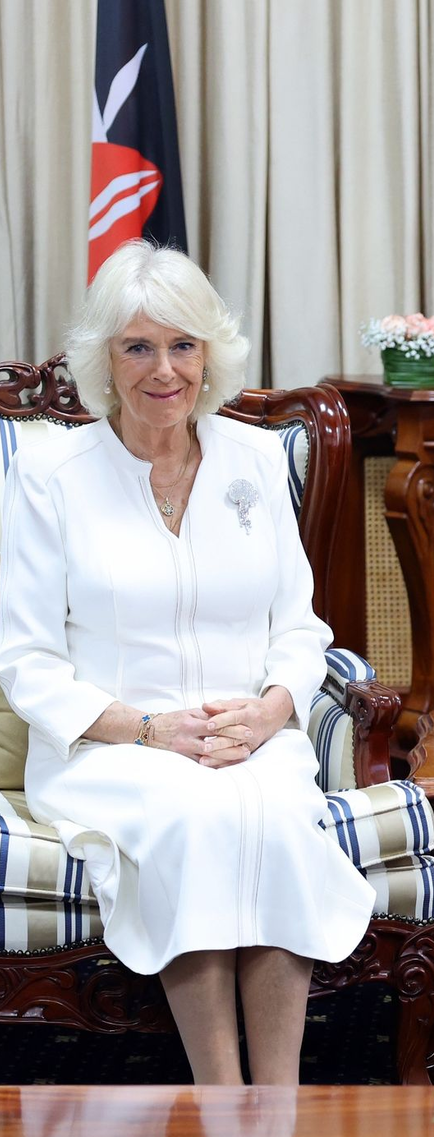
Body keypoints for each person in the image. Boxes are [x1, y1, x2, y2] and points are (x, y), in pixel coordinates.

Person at [0, 240, 375, 1084]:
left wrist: (274, 710)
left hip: (249, 734)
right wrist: (149, 728)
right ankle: (220, 1095)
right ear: (104, 358)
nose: (163, 369)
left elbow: (300, 627)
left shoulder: (254, 458)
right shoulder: (47, 474)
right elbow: (25, 660)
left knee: (277, 820)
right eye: (138, 346)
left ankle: (275, 1102)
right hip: (110, 747)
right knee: (195, 819)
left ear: (209, 354)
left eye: (182, 345)